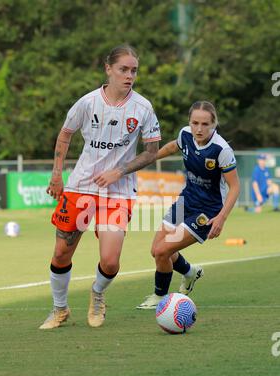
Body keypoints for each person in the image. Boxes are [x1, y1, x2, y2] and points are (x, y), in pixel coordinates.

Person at [39, 44, 161, 329]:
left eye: (134, 70)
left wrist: (119, 170)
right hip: (81, 186)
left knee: (110, 261)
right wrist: (57, 175)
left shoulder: (143, 108)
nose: (129, 75)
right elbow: (65, 135)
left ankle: (97, 295)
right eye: (123, 69)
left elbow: (151, 151)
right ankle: (60, 309)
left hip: (118, 191)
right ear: (109, 69)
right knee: (61, 253)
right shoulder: (87, 103)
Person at [136, 101, 240, 310]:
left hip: (207, 211)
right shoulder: (185, 134)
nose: (199, 129)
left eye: (204, 124)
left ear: (214, 124)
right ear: (189, 122)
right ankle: (190, 272)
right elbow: (173, 146)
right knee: (156, 250)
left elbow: (235, 187)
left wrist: (221, 218)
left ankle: (160, 297)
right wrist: (150, 157)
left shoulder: (221, 150)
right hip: (185, 201)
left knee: (163, 251)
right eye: (195, 123)